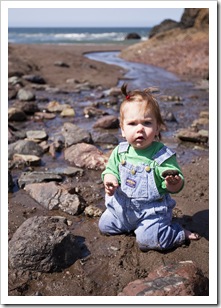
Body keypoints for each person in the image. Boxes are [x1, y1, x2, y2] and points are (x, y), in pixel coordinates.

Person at [98, 83, 200, 251]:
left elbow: (177, 186)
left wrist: (173, 183)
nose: (140, 130)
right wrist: (109, 179)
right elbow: (110, 170)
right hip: (122, 209)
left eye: (146, 123)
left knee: (148, 242)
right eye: (132, 124)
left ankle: (177, 233)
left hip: (151, 213)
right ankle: (132, 226)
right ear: (122, 129)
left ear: (157, 127)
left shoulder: (162, 155)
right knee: (105, 225)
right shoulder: (120, 151)